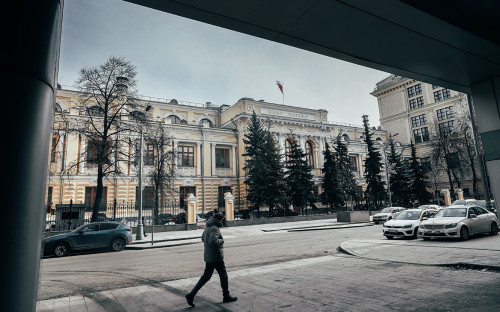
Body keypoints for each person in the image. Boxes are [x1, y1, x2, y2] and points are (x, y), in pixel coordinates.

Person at [185, 212, 237, 307]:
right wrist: (221, 241)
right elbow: (213, 241)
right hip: (216, 257)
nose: (222, 221)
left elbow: (202, 239)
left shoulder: (208, 227)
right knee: (223, 275)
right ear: (218, 220)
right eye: (221, 219)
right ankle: (226, 296)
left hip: (209, 256)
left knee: (205, 277)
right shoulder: (214, 228)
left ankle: (191, 295)